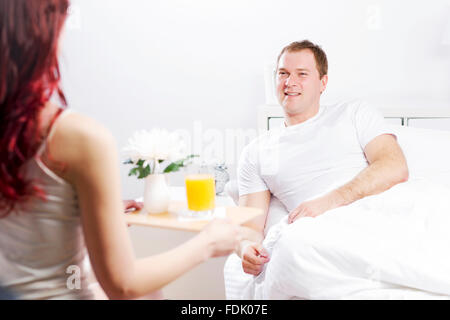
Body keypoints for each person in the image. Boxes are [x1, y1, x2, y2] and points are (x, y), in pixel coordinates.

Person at [0, 0, 242, 300]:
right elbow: (124, 285)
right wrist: (208, 242)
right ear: (44, 31)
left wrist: (90, 213)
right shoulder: (79, 136)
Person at [224, 40, 450, 299]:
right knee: (290, 249)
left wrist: (328, 201)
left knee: (438, 208)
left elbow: (394, 167)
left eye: (302, 74)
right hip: (323, 232)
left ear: (323, 83)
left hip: (381, 208)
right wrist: (246, 249)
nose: (290, 82)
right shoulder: (256, 152)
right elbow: (249, 225)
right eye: (283, 73)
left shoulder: (354, 113)